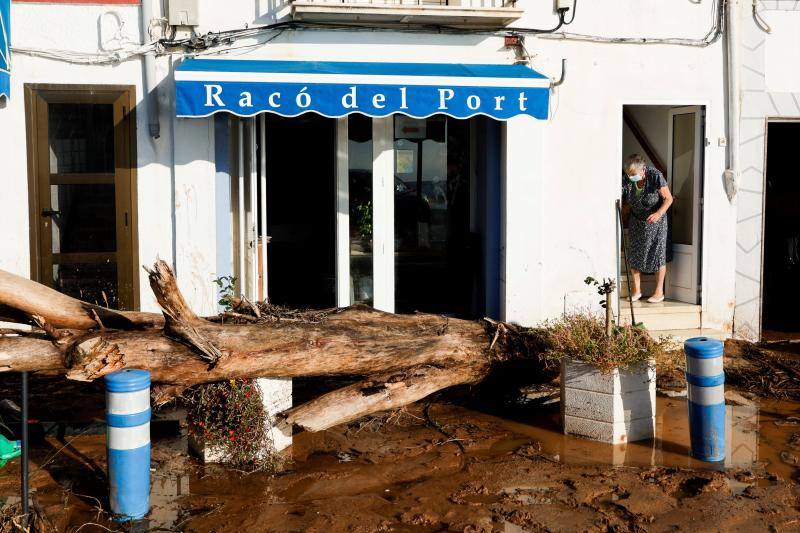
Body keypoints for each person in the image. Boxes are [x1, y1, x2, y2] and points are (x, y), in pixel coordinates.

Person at [621, 154, 674, 303]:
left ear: (643, 170)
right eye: (629, 175)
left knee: (657, 254)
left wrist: (658, 213)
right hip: (636, 220)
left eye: (633, 175)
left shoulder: (655, 175)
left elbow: (668, 198)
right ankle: (637, 291)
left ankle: (658, 292)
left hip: (656, 221)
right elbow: (622, 194)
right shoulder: (628, 178)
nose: (631, 177)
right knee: (635, 254)